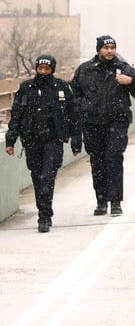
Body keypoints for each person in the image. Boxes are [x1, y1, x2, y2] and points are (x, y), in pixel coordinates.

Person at [70, 35, 135, 217]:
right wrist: (85, 105)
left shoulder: (122, 68)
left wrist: (131, 81)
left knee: (114, 159)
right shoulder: (85, 70)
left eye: (112, 47)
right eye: (106, 48)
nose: (109, 51)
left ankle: (115, 202)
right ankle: (101, 200)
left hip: (117, 122)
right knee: (97, 162)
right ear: (99, 49)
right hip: (92, 123)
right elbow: (74, 95)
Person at [5, 55, 79, 232]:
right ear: (37, 69)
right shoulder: (26, 88)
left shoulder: (61, 87)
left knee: (47, 177)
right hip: (32, 141)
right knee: (37, 178)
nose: (44, 72)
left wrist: (76, 140)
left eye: (47, 69)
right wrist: (10, 140)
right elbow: (16, 115)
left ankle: (44, 217)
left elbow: (74, 114)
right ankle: (44, 210)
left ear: (52, 69)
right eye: (41, 69)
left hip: (54, 140)